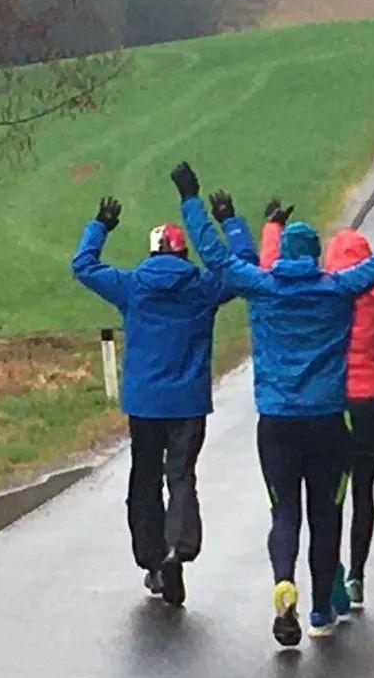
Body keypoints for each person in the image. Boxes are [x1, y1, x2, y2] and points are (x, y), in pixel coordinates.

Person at [171, 155, 374, 645]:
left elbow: (217, 257)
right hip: (329, 422)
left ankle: (282, 583)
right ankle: (318, 613)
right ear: (315, 256)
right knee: (327, 515)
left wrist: (190, 199)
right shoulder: (338, 289)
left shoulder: (262, 287)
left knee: (284, 512)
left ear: (284, 255)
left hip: (276, 423)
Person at [260, 191, 374, 611]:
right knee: (362, 490)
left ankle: (325, 582)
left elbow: (268, 271)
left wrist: (272, 228)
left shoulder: (324, 289)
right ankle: (355, 575)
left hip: (332, 402)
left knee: (325, 502)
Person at [71, 194, 256, 607]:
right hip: (188, 402)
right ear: (185, 252)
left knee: (145, 479)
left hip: (145, 404)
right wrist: (230, 221)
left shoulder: (133, 286)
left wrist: (100, 224)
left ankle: (151, 559)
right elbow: (243, 268)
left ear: (152, 252)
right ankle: (178, 550)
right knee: (181, 477)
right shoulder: (204, 287)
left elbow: (83, 266)